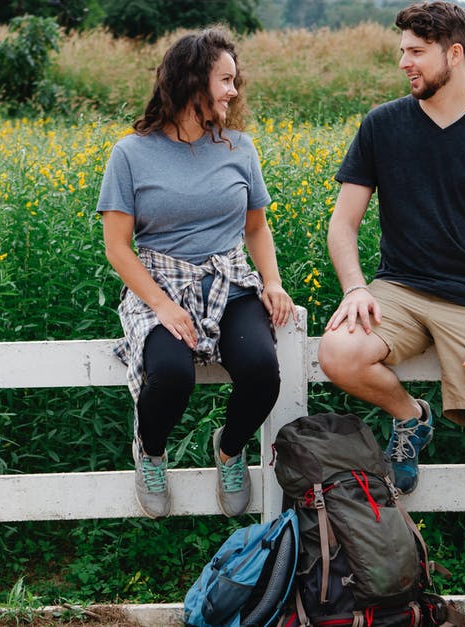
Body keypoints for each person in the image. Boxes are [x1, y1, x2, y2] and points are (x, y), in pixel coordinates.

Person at [316, 3, 465, 626]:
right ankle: (409, 417)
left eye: (415, 50)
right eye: (401, 50)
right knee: (336, 351)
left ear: (455, 53)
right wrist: (355, 286)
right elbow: (343, 224)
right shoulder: (382, 126)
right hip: (399, 291)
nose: (403, 62)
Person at [96, 27, 294, 520]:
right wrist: (163, 306)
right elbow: (118, 249)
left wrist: (272, 282)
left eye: (234, 80)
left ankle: (228, 449)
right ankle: (152, 450)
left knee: (263, 373)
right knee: (170, 374)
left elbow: (256, 227)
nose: (233, 90)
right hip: (158, 285)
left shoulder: (240, 147)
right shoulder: (130, 154)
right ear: (191, 81)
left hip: (230, 282)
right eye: (225, 80)